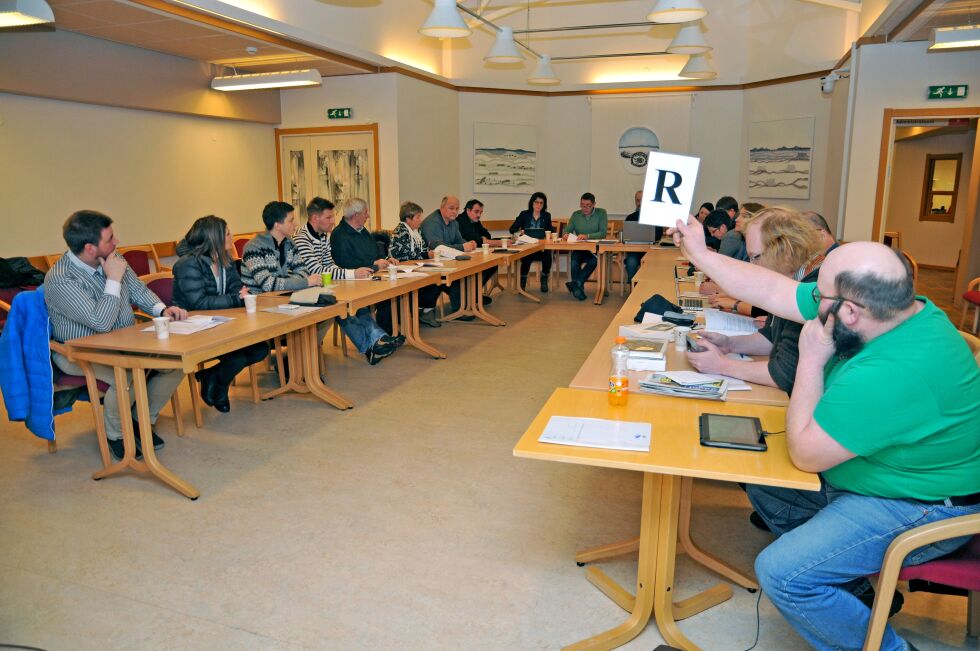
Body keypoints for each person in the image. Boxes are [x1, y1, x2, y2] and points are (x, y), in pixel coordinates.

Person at [670, 214, 980, 651]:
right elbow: (773, 291)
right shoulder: (896, 309)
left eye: (821, 296)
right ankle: (853, 586)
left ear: (848, 310)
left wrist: (812, 359)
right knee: (760, 473)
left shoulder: (897, 370)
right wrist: (700, 252)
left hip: (920, 507)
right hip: (885, 476)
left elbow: (806, 455)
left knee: (783, 573)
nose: (811, 301)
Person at [45, 210, 188, 459]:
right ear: (90, 248)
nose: (117, 242)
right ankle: (116, 434)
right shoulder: (60, 279)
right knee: (127, 373)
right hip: (79, 352)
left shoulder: (112, 256)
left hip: (125, 341)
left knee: (174, 364)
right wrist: (112, 279)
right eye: (110, 238)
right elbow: (100, 322)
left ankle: (139, 420)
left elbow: (136, 290)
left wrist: (162, 309)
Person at [686, 208, 822, 395]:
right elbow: (771, 337)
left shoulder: (811, 288)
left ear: (784, 251)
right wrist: (729, 344)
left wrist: (722, 365)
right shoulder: (792, 279)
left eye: (755, 257)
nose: (751, 266)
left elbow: (784, 373)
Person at [172, 216, 269, 412]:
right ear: (213, 237)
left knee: (260, 349)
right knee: (237, 357)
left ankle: (211, 376)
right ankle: (220, 387)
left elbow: (235, 287)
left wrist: (239, 295)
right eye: (227, 233)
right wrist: (236, 299)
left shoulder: (225, 259)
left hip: (220, 322)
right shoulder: (187, 264)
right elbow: (197, 303)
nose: (232, 236)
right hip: (193, 327)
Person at [294, 197, 400, 365]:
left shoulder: (323, 236)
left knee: (355, 302)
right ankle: (371, 345)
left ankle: (379, 339)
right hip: (305, 291)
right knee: (341, 306)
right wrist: (352, 274)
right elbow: (316, 270)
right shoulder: (302, 238)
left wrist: (352, 273)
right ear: (315, 219)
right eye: (329, 217)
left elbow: (330, 265)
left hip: (324, 285)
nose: (333, 221)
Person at [330, 197, 398, 336]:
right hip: (352, 281)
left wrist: (385, 259)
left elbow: (372, 253)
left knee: (393, 293)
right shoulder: (339, 235)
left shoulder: (362, 230)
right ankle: (383, 337)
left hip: (371, 275)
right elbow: (344, 263)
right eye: (365, 212)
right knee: (386, 297)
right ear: (356, 215)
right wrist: (373, 264)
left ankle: (387, 335)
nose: (367, 215)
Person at [240, 201, 321, 294]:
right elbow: (268, 284)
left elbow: (303, 272)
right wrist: (305, 282)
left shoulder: (290, 243)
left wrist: (282, 282)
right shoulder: (253, 248)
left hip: (282, 298)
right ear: (277, 225)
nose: (296, 224)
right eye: (291, 220)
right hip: (258, 303)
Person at [420, 195, 474, 320]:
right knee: (458, 274)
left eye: (457, 208)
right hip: (431, 263)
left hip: (448, 261)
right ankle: (459, 310)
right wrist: (463, 247)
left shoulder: (453, 222)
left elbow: (460, 241)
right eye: (451, 208)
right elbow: (438, 247)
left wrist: (470, 244)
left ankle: (471, 301)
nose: (455, 211)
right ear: (442, 208)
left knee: (472, 270)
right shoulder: (432, 223)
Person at [390, 201, 443, 328]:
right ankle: (422, 310)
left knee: (438, 278)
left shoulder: (416, 231)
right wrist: (425, 255)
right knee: (433, 280)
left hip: (416, 266)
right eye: (418, 217)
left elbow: (422, 250)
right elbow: (405, 256)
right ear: (408, 218)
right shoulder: (400, 231)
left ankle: (424, 310)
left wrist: (429, 253)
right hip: (402, 270)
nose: (421, 220)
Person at [564, 192, 607, 301]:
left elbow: (603, 233)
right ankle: (578, 287)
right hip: (580, 248)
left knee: (594, 261)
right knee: (574, 260)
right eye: (582, 205)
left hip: (595, 249)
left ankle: (576, 283)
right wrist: (565, 234)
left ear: (594, 204)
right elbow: (567, 229)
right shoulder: (576, 214)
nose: (585, 208)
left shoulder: (601, 213)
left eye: (588, 205)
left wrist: (587, 236)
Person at [509, 191, 554, 293]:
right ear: (532, 203)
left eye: (541, 203)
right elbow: (512, 229)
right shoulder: (524, 214)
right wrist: (520, 232)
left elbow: (551, 231)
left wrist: (549, 234)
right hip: (528, 248)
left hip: (542, 248)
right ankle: (522, 282)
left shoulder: (546, 215)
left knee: (548, 257)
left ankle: (544, 279)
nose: (538, 205)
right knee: (526, 258)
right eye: (536, 202)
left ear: (544, 204)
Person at [456, 199, 498, 304]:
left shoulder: (475, 221)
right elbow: (477, 240)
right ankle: (470, 296)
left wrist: (483, 239)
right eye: (476, 212)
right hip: (462, 255)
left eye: (481, 212)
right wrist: (496, 242)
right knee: (483, 266)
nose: (479, 215)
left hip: (474, 252)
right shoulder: (461, 221)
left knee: (493, 264)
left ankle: (474, 294)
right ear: (468, 210)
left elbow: (487, 235)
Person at [623, 189, 663, 285]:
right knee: (631, 262)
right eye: (637, 200)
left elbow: (659, 234)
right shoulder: (630, 217)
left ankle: (646, 288)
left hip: (651, 250)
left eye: (642, 200)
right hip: (634, 250)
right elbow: (626, 235)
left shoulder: (655, 216)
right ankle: (634, 288)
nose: (639, 203)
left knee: (652, 263)